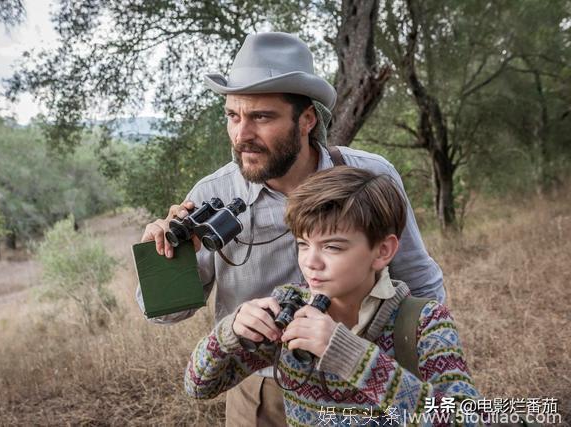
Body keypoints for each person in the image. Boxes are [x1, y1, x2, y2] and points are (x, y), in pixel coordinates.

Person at [138, 32, 444, 425]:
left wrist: (413, 375)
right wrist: (162, 262)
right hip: (260, 390)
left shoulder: (370, 176)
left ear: (306, 120)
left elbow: (419, 280)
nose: (241, 134)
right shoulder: (210, 195)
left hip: (366, 382)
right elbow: (166, 316)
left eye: (261, 117)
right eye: (233, 116)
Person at [184, 166, 481, 426]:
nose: (311, 262)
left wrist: (349, 355)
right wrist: (228, 332)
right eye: (303, 244)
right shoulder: (290, 310)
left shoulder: (425, 323)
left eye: (332, 247)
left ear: (383, 251)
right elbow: (198, 387)